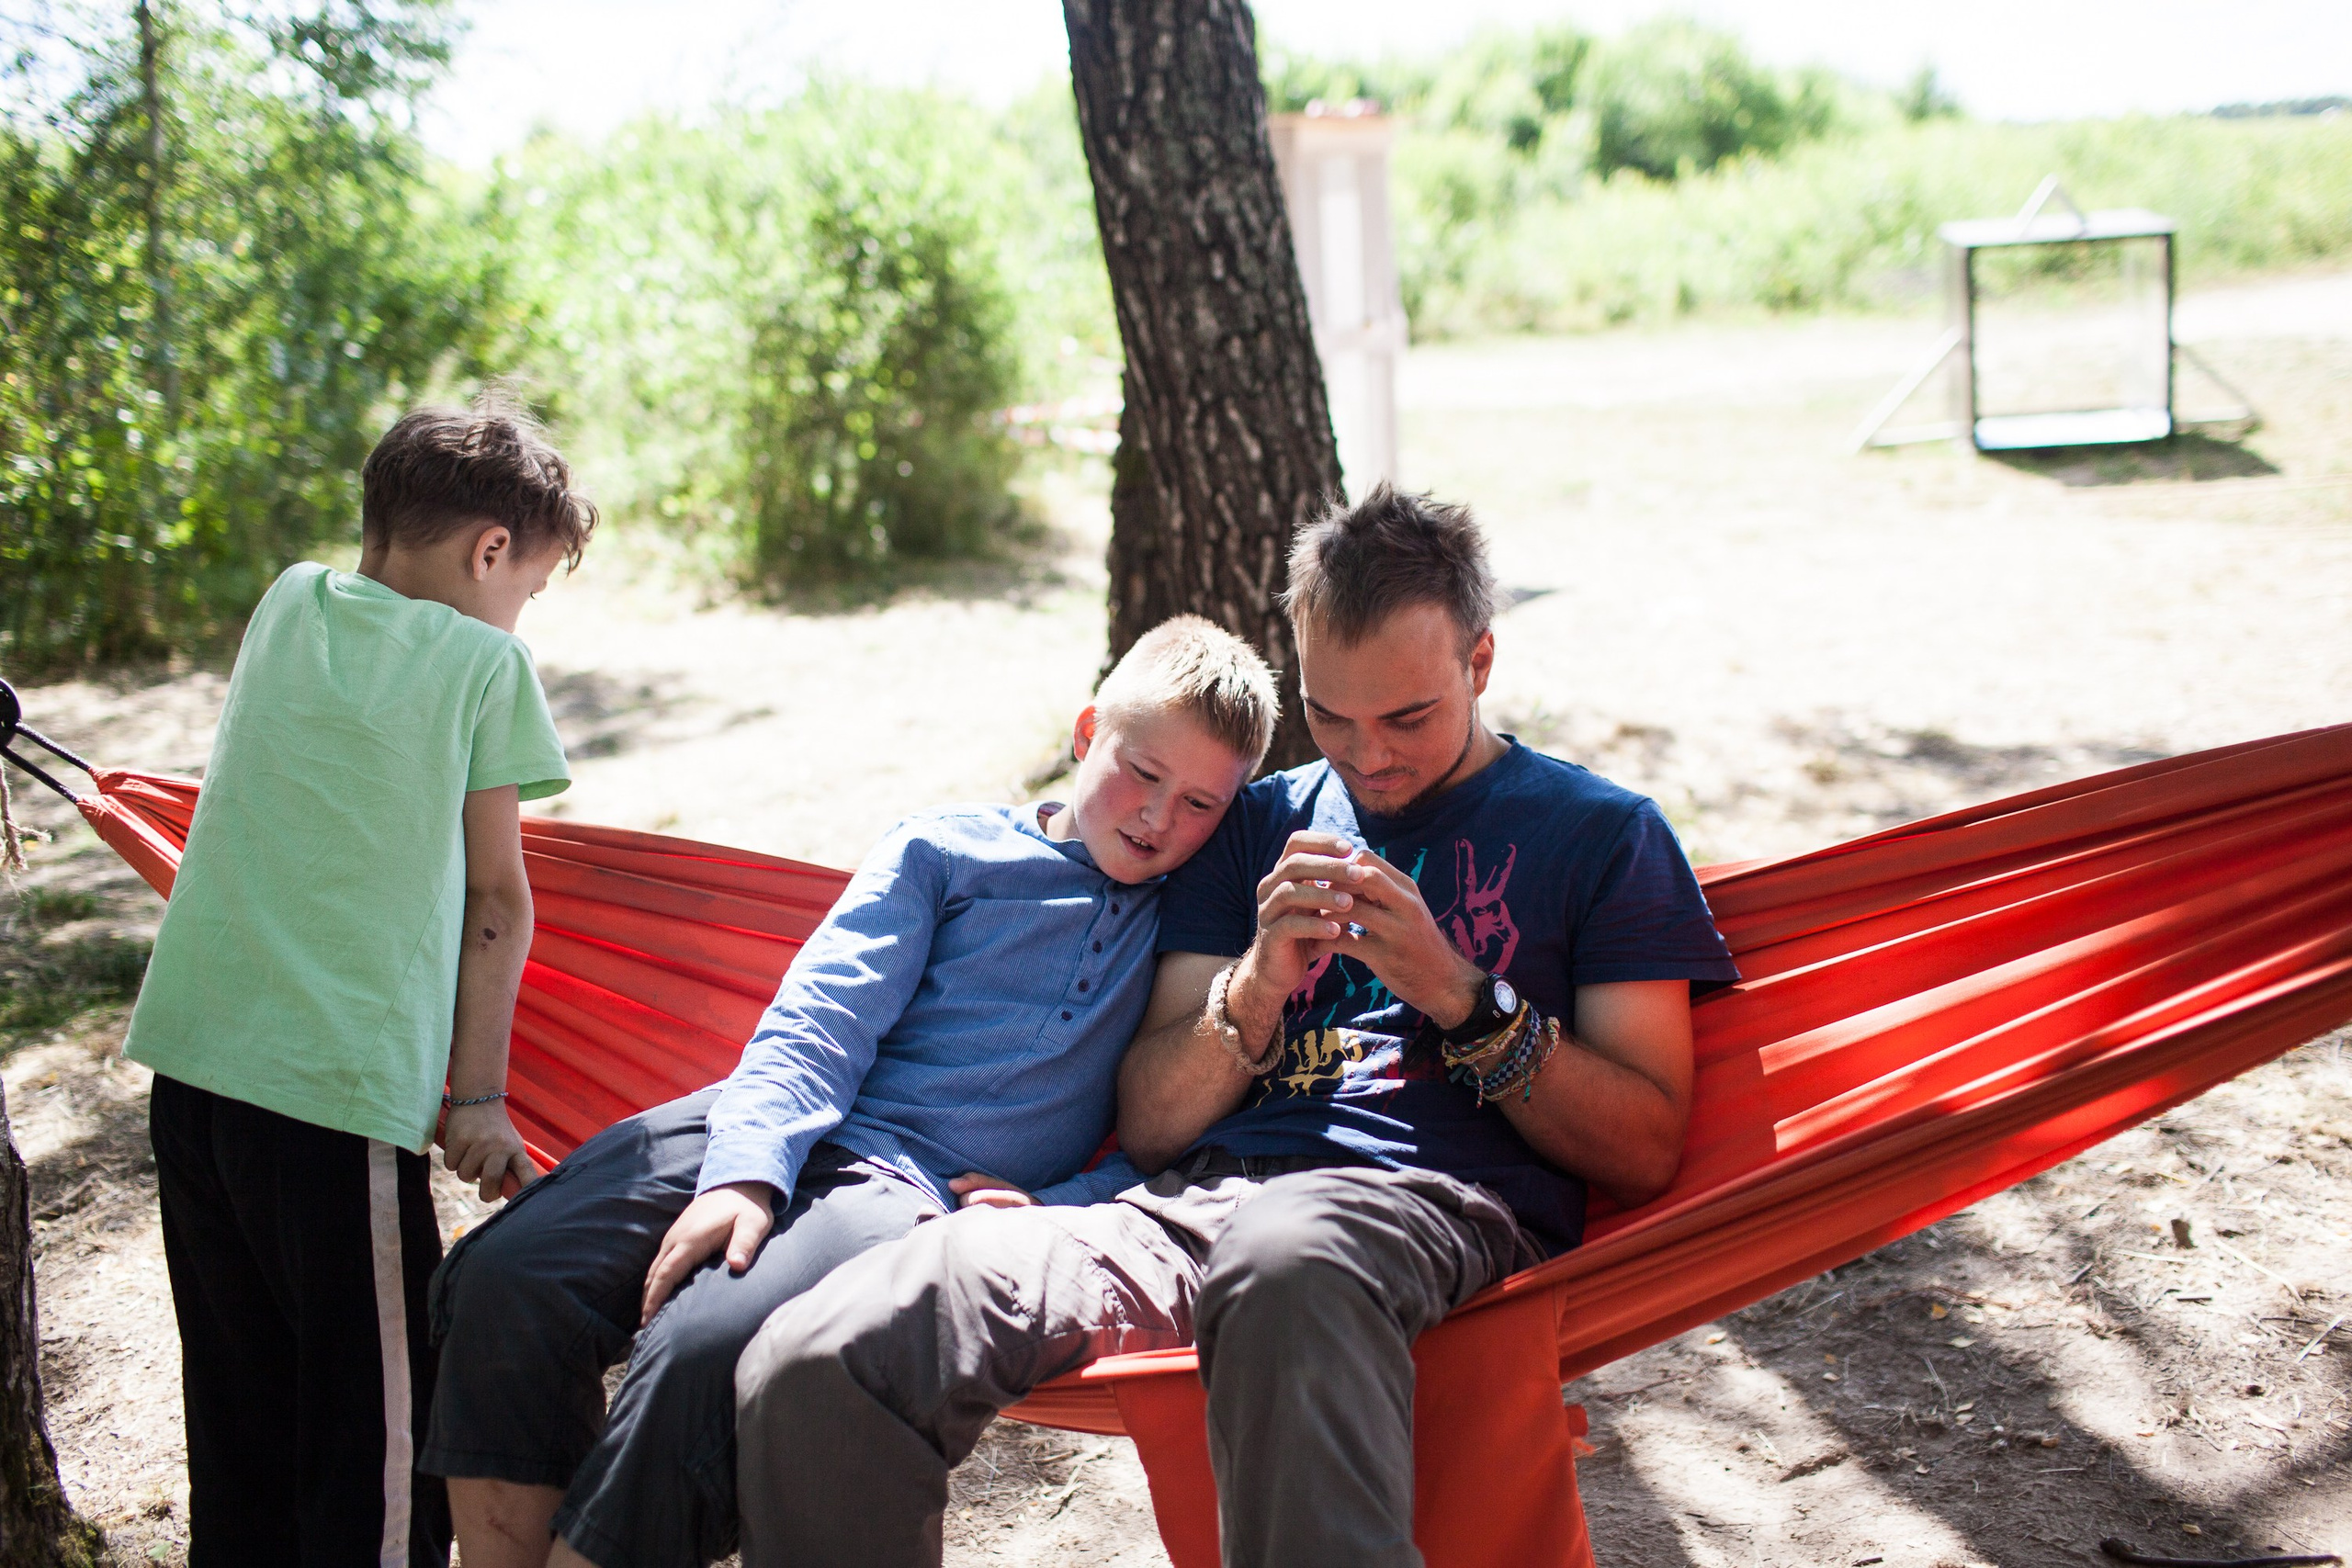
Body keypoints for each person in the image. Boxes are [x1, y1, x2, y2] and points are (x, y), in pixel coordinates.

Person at [732, 484, 1743, 1568]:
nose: (1368, 758)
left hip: (1422, 1207)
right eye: (1331, 716)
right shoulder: (1255, 822)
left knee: (1284, 1255)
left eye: (1406, 717)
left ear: (1480, 661)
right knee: (820, 1351)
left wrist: (1458, 990)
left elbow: (1642, 1147)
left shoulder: (1601, 835)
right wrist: (1258, 985)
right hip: (1185, 1211)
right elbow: (1156, 1125)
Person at [421, 615, 1281, 1568]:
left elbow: (1170, 1125)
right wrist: (748, 1173)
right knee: (506, 1277)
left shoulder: (1190, 927)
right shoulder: (944, 852)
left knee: (704, 1348)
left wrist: (1059, 1211)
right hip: (760, 1115)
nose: (1159, 818)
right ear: (1087, 734)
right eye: (1143, 773)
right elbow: (817, 1021)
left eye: (1201, 803)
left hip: (903, 1184)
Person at [124, 398, 594, 1567]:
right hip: (333, 1105)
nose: (520, 607)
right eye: (528, 583)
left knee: (241, 1413)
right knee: (378, 1442)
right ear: (493, 550)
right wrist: (476, 1099)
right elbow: (496, 903)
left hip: (193, 1068)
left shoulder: (287, 604)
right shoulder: (488, 666)